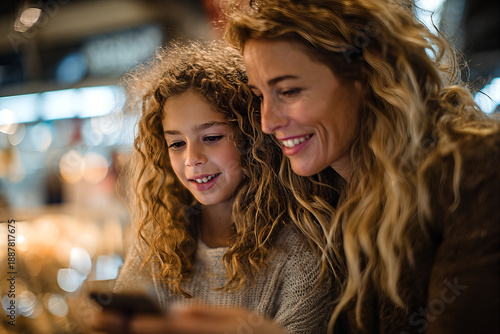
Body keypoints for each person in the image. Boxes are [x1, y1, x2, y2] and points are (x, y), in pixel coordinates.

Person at [116, 0, 499, 333]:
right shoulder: (325, 195)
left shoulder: (476, 168)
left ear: (365, 75)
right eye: (260, 96)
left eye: (289, 91)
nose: (266, 122)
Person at [91, 40, 337, 334]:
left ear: (252, 138)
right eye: (177, 144)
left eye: (211, 138)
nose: (192, 159)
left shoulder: (302, 255)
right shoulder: (157, 244)